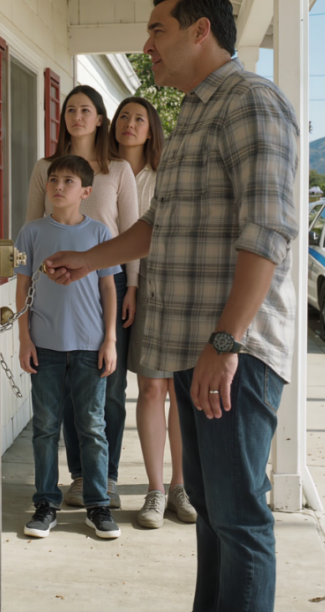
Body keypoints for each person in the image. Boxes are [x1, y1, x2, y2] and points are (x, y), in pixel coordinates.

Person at [45, 0, 298, 612]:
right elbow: (158, 226)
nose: (146, 44)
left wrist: (225, 340)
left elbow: (267, 232)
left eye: (157, 30)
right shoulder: (192, 112)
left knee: (239, 518)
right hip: (193, 349)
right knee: (212, 513)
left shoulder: (251, 102)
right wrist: (86, 259)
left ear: (199, 30)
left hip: (233, 353)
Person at [26, 85, 138, 509]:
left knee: (108, 386)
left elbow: (131, 235)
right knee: (69, 388)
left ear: (99, 118)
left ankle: (105, 477)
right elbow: (31, 229)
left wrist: (135, 288)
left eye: (85, 110)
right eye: (70, 109)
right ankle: (77, 476)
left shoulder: (118, 171)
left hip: (110, 286)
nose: (77, 116)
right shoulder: (46, 168)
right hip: (58, 287)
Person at [17, 155, 121, 540]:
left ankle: (98, 505)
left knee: (92, 426)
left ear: (86, 192)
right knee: (45, 427)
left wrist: (109, 340)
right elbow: (22, 287)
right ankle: (46, 502)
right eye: (54, 180)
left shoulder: (100, 235)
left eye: (69, 182)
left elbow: (109, 287)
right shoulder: (30, 232)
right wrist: (24, 337)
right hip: (44, 346)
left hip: (89, 345)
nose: (59, 187)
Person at [110, 96, 196, 528]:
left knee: (178, 392)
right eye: (123, 116)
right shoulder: (106, 173)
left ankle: (180, 486)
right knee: (149, 390)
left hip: (174, 287)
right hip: (131, 287)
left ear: (152, 129)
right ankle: (154, 491)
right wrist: (134, 286)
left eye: (139, 117)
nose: (129, 123)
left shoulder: (165, 175)